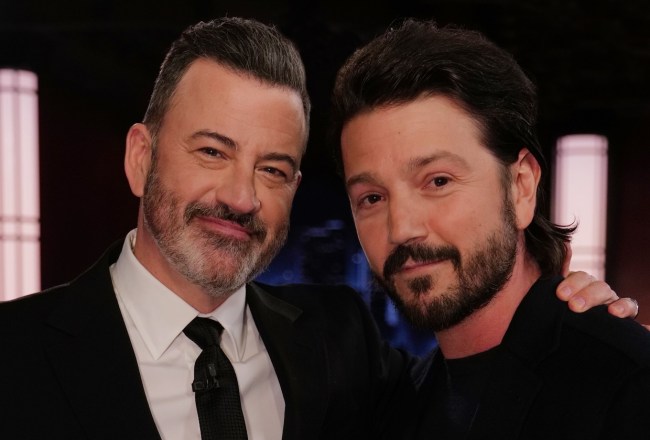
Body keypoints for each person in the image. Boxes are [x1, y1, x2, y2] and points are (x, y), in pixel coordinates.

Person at [0, 17, 637, 440]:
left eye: (273, 169)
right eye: (212, 152)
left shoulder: (340, 344)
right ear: (141, 158)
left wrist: (587, 325)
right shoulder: (15, 357)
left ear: (522, 185)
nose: (241, 197)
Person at [331, 19, 650, 439]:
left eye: (438, 181)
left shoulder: (627, 382)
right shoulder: (397, 404)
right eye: (372, 198)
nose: (402, 228)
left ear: (521, 187)